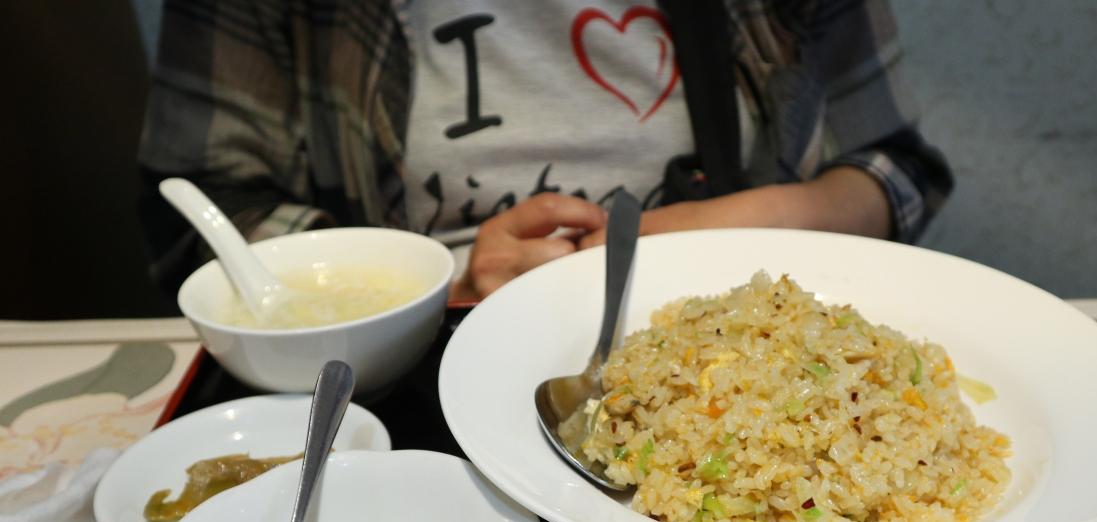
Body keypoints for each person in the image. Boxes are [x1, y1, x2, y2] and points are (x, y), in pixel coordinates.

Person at [138, 0, 952, 303]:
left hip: (730, 333)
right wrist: (431, 286)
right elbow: (195, 215)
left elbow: (901, 172)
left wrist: (738, 223)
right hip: (419, 360)